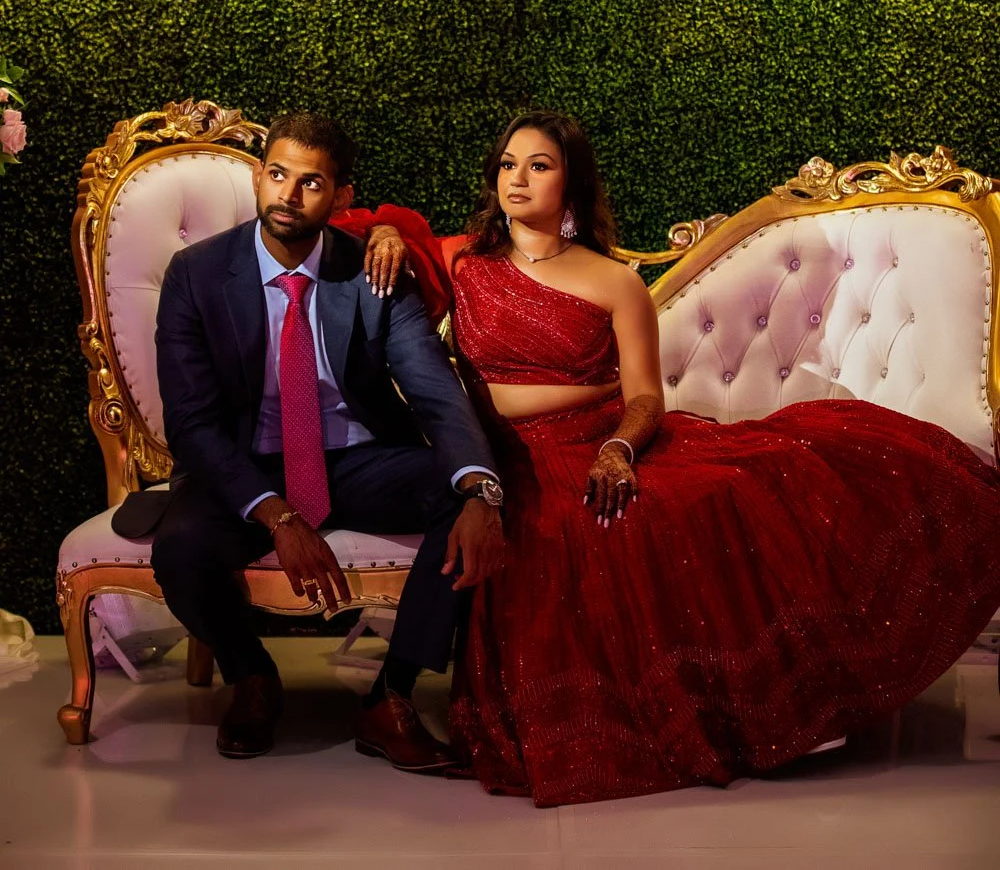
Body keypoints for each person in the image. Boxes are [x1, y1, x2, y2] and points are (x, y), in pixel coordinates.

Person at [416, 109, 1000, 807]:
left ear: (570, 183)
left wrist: (618, 449)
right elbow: (389, 258)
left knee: (729, 487)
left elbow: (643, 399)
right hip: (514, 459)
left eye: (538, 165)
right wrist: (390, 232)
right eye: (509, 164)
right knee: (564, 532)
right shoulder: (465, 267)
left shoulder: (614, 282)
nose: (518, 178)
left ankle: (775, 706)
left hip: (603, 441)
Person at [135, 111, 504, 765]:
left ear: (340, 197)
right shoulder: (196, 274)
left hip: (353, 455)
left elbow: (433, 388)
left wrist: (480, 486)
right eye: (277, 175)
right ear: (258, 178)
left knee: (460, 498)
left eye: (310, 183)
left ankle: (391, 696)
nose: (288, 194)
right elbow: (191, 422)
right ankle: (250, 676)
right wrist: (275, 512)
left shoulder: (372, 271)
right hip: (245, 464)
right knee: (181, 548)